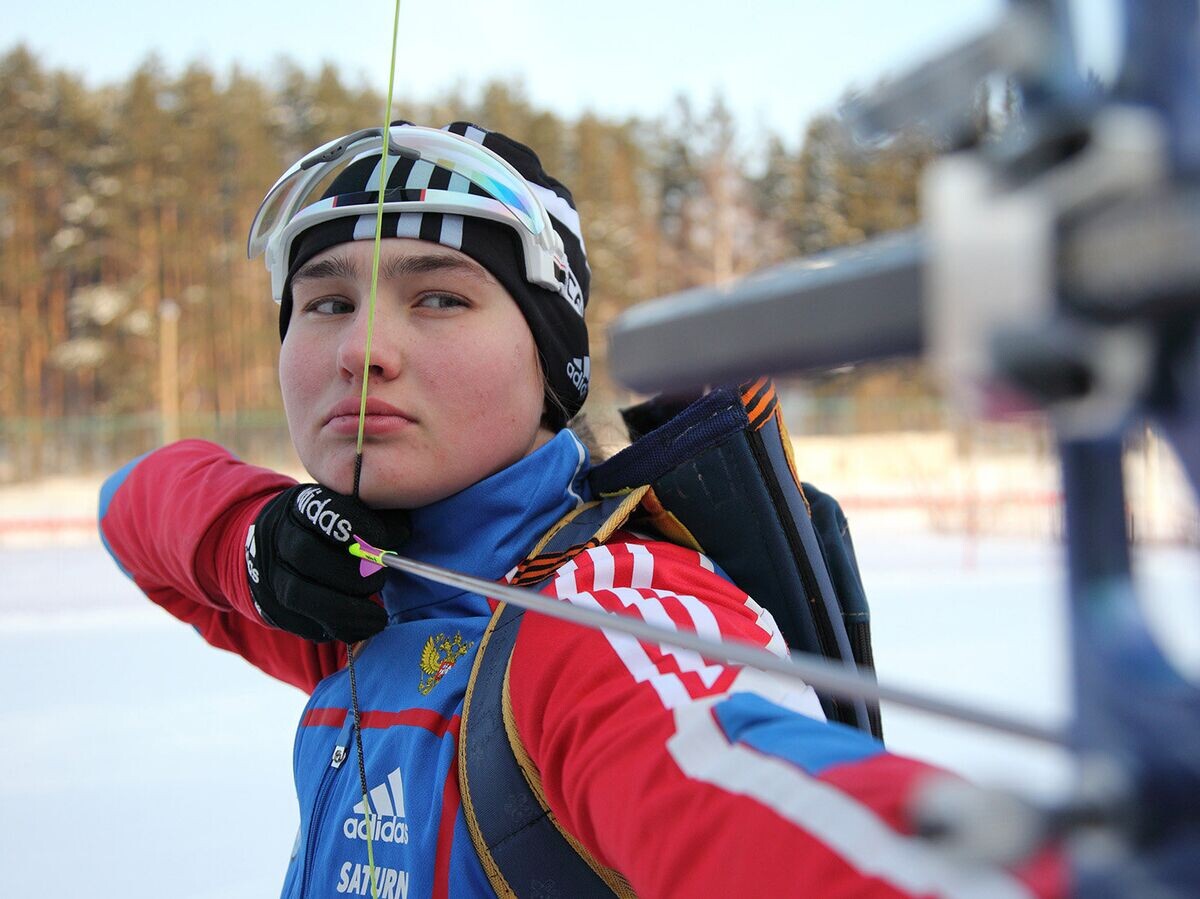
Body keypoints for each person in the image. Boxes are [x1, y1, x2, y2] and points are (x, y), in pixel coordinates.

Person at [99, 121, 1061, 898]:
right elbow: (132, 510)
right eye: (325, 302)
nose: (363, 351)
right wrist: (251, 542)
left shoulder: (596, 613)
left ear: (550, 367)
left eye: (438, 299)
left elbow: (763, 800)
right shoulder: (363, 605)